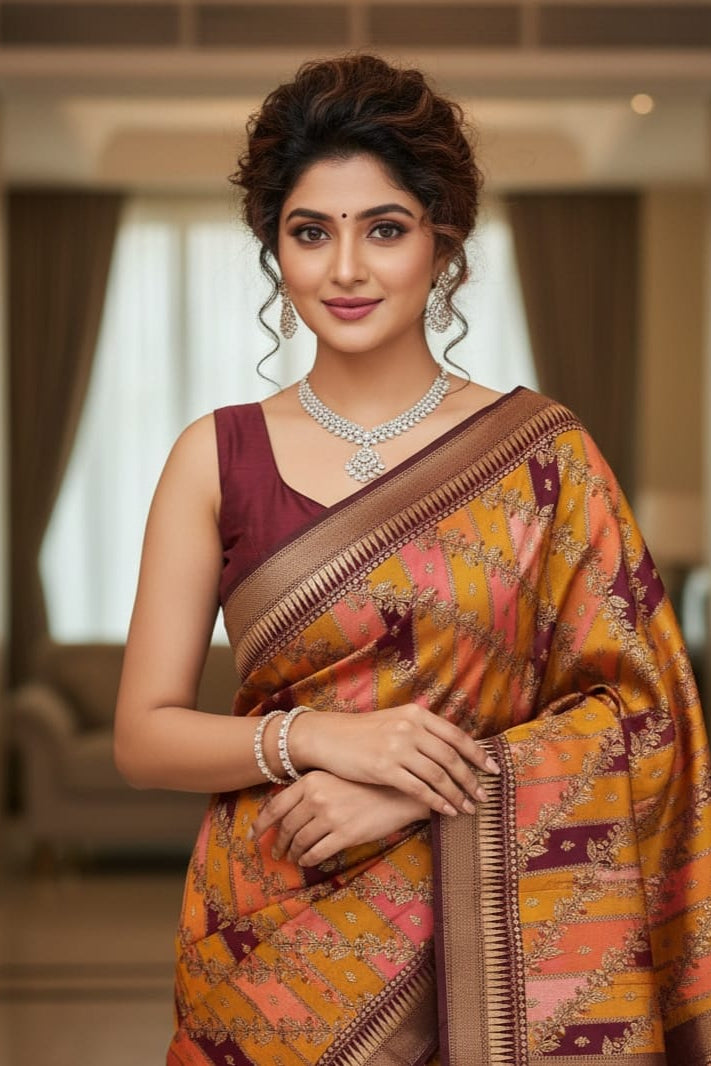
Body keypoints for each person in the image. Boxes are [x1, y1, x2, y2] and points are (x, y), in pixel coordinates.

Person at [114, 54, 711, 1066]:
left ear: (443, 241)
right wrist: (317, 739)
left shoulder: (543, 458)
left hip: (490, 944)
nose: (346, 269)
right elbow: (143, 738)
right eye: (311, 232)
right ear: (275, 249)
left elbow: (645, 717)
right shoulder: (214, 457)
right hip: (270, 948)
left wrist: (423, 787)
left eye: (384, 228)